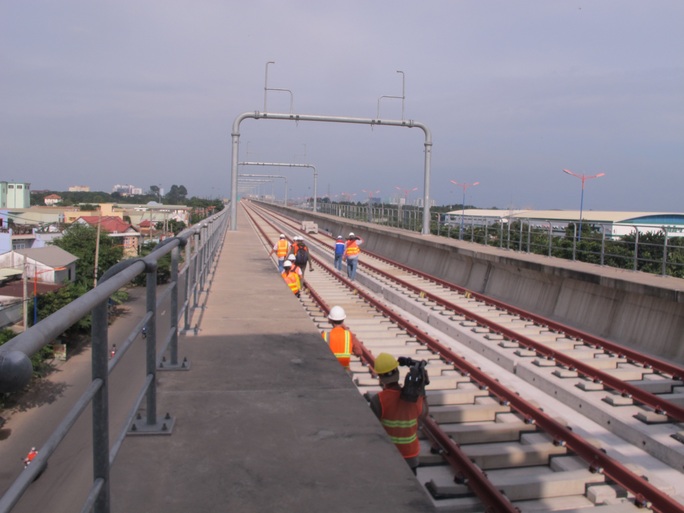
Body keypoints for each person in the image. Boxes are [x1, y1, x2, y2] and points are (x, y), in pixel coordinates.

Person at [367, 353, 428, 475]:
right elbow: (423, 414)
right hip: (411, 454)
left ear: (380, 377)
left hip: (389, 454)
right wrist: (422, 390)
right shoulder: (414, 398)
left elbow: (372, 430)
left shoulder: (379, 400)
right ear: (398, 373)